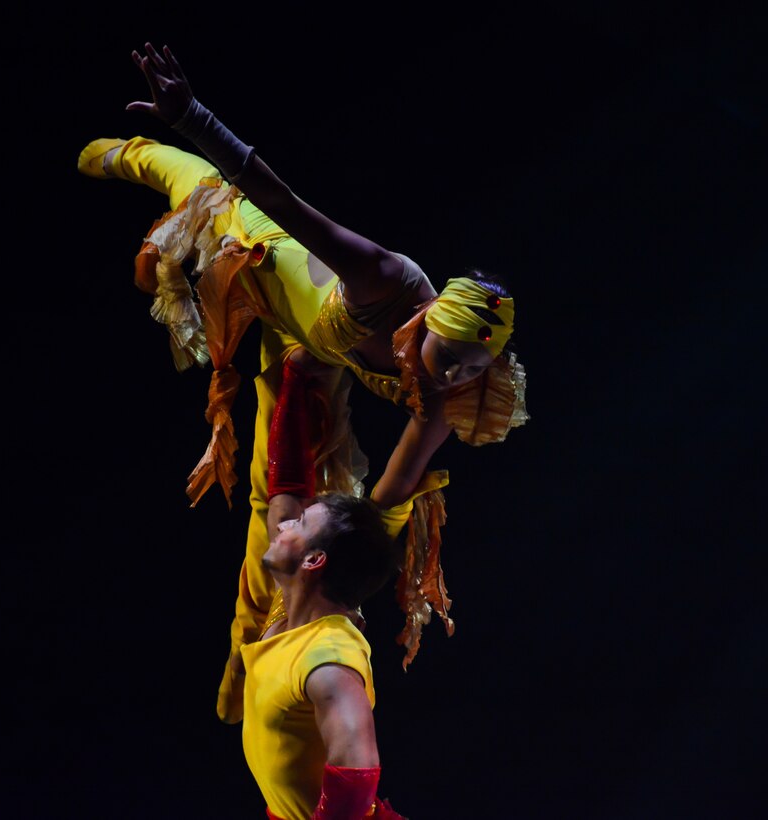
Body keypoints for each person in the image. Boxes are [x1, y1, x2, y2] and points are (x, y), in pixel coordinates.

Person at [77, 43, 528, 722]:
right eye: (454, 351)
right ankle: (120, 151)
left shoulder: (454, 391)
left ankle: (246, 662)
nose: (460, 370)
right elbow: (281, 198)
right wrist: (194, 116)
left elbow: (393, 491)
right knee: (192, 185)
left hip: (307, 357)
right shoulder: (385, 279)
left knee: (278, 509)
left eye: (475, 364)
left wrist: (344, 568)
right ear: (432, 313)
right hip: (259, 259)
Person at [245, 345, 406, 820]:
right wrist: (294, 379)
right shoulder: (288, 616)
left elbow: (358, 772)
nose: (285, 525)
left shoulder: (328, 658)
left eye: (300, 524)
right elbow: (288, 490)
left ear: (314, 560)